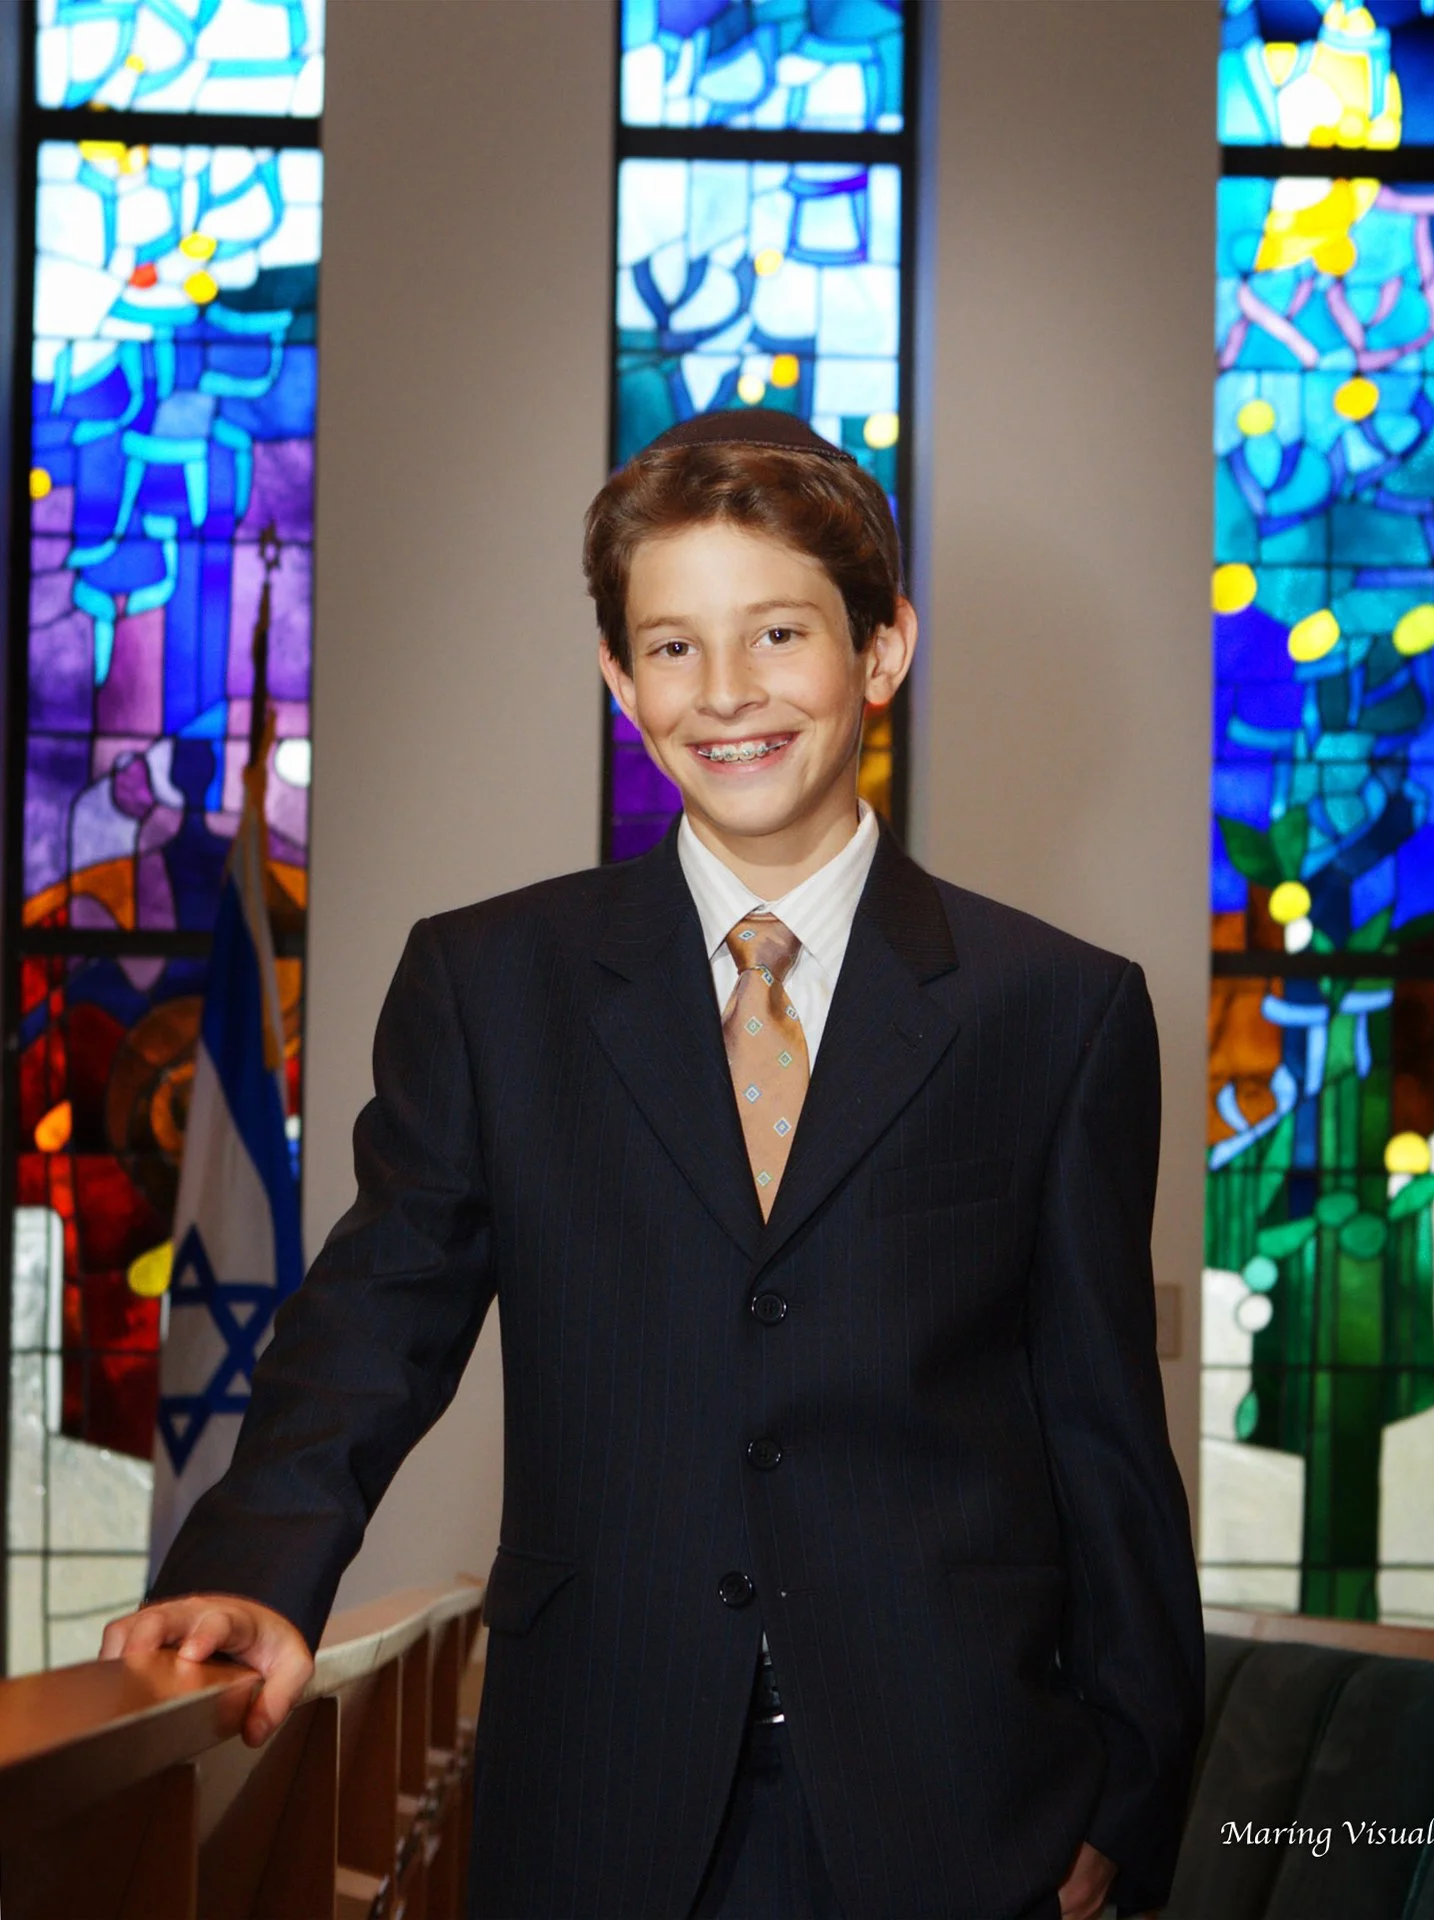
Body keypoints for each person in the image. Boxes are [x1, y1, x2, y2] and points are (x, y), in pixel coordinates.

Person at [104, 409, 1204, 1920]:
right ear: (619, 681)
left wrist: (1126, 1795)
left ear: (881, 650)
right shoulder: (493, 983)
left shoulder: (1054, 1009)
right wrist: (251, 1569)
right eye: (671, 647)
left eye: (776, 634)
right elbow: (379, 1313)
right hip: (602, 1781)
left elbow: (1099, 1426)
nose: (727, 693)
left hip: (961, 1797)